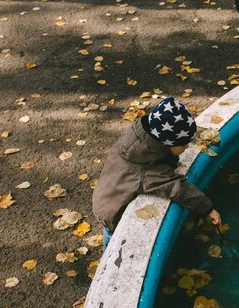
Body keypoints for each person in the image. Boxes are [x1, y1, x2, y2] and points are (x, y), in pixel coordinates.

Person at [92, 96, 221, 249]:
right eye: (183, 144)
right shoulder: (145, 171)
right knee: (114, 243)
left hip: (106, 196)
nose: (187, 147)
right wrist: (208, 209)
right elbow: (177, 189)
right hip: (112, 213)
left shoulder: (141, 139)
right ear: (167, 143)